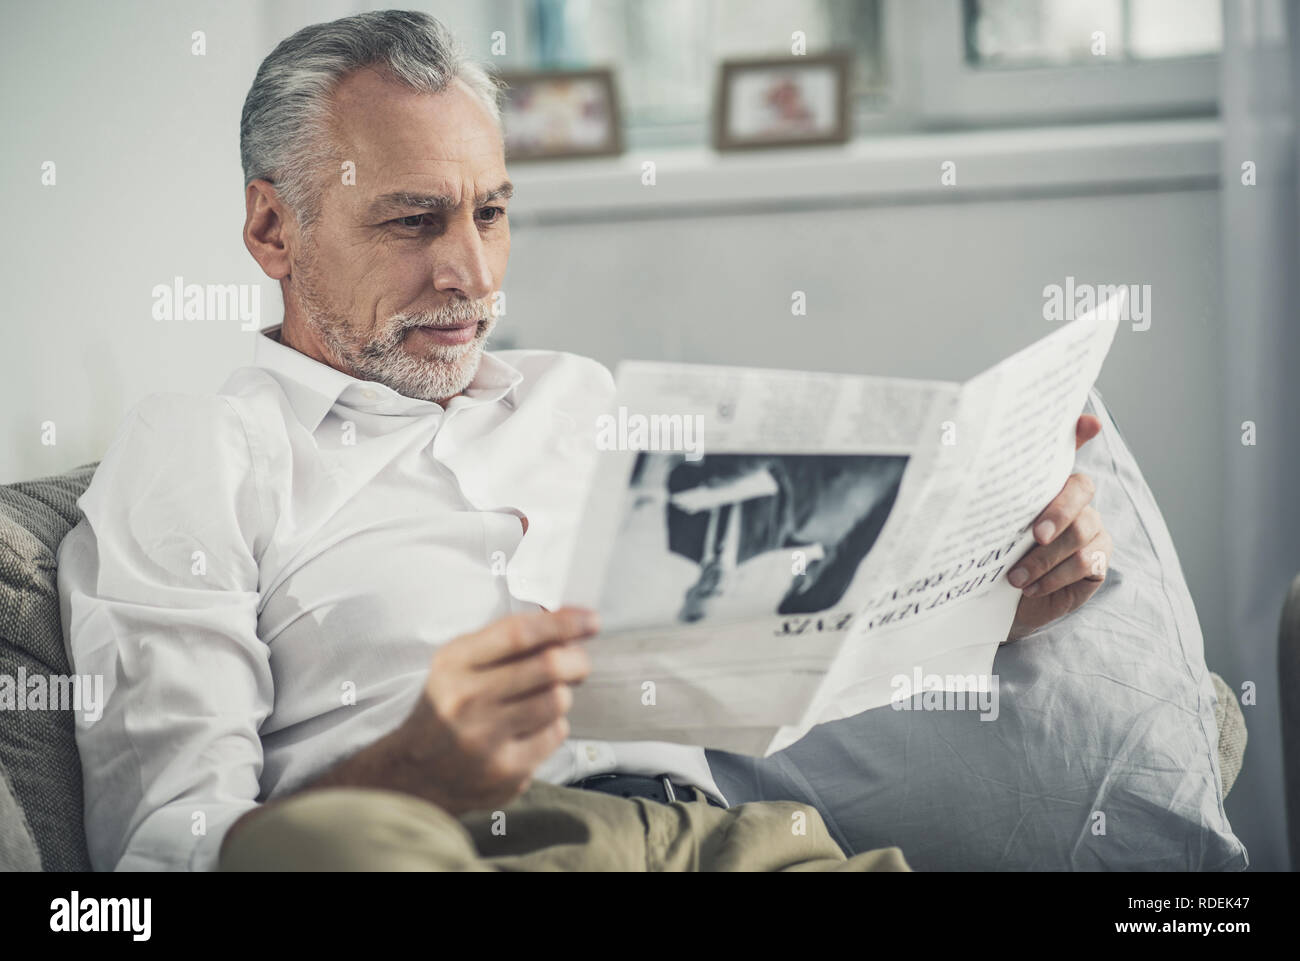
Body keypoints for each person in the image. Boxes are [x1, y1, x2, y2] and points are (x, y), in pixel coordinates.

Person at [58, 10, 1112, 872]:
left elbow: (777, 657)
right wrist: (417, 771)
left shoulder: (584, 396)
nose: (470, 273)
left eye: (492, 213)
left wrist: (991, 593)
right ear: (271, 230)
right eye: (411, 222)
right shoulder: (202, 450)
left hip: (740, 844)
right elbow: (166, 855)